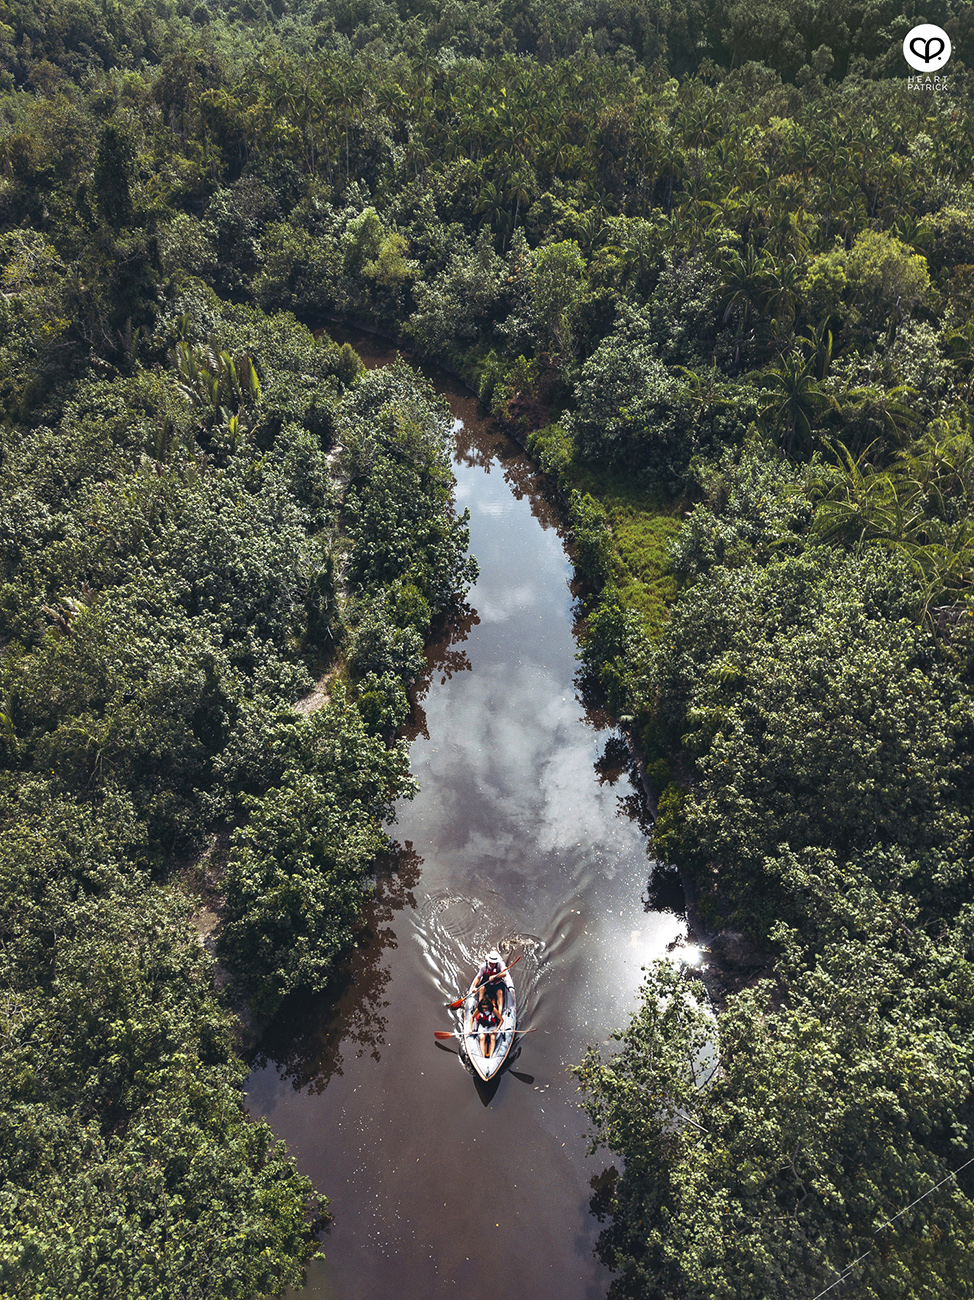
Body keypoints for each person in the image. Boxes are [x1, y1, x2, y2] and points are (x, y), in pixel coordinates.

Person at [469, 949, 505, 1021]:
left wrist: (495, 976)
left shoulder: (499, 964)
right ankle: (480, 1008)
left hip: (497, 984)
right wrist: (474, 987)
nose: (492, 963)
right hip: (487, 983)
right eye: (490, 962)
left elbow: (504, 974)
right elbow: (478, 977)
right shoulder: (483, 966)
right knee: (481, 989)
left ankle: (499, 1013)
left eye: (493, 962)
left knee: (500, 993)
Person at [474, 992, 501, 1060]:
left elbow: (501, 1020)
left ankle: (491, 1056)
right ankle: (482, 1056)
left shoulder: (494, 1010)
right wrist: (470, 1029)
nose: (484, 1010)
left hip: (492, 1027)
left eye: (486, 1008)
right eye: (483, 1008)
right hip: (483, 1027)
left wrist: (496, 1029)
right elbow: (472, 1017)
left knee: (493, 1038)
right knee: (482, 1037)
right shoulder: (479, 1009)